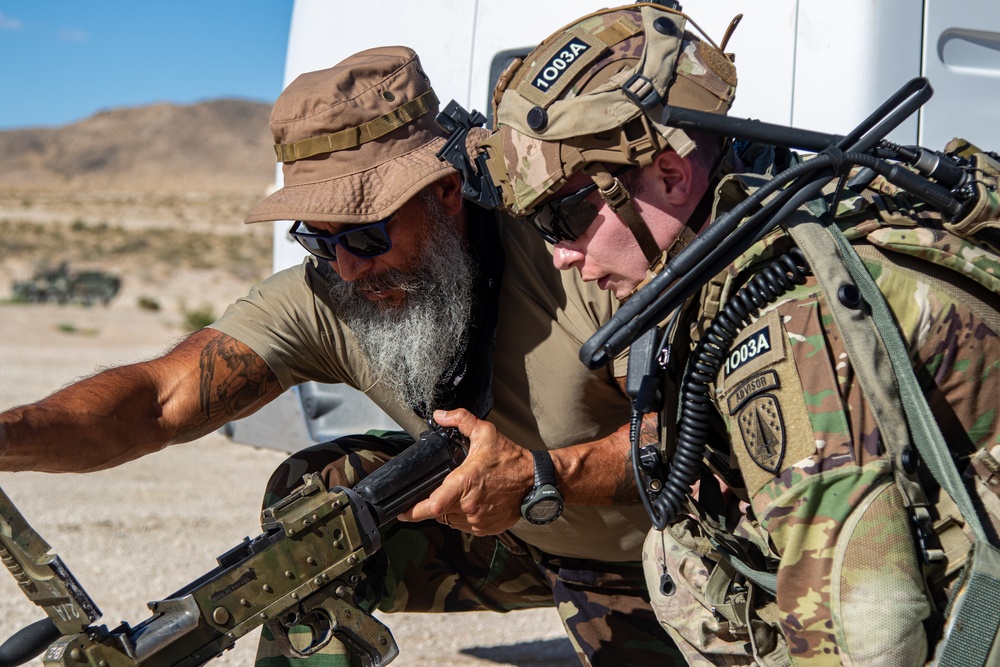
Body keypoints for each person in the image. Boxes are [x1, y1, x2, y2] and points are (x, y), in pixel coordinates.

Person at [0, 46, 685, 666]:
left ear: (446, 192)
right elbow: (158, 400)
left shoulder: (581, 254)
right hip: (511, 543)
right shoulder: (333, 292)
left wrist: (542, 473)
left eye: (366, 234)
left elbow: (695, 440)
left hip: (665, 552)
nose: (348, 269)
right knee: (317, 495)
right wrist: (9, 436)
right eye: (318, 240)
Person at [476, 3, 1000, 665]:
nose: (559, 255)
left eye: (562, 217)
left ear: (668, 173)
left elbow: (868, 629)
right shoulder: (794, 215)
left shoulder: (779, 314)